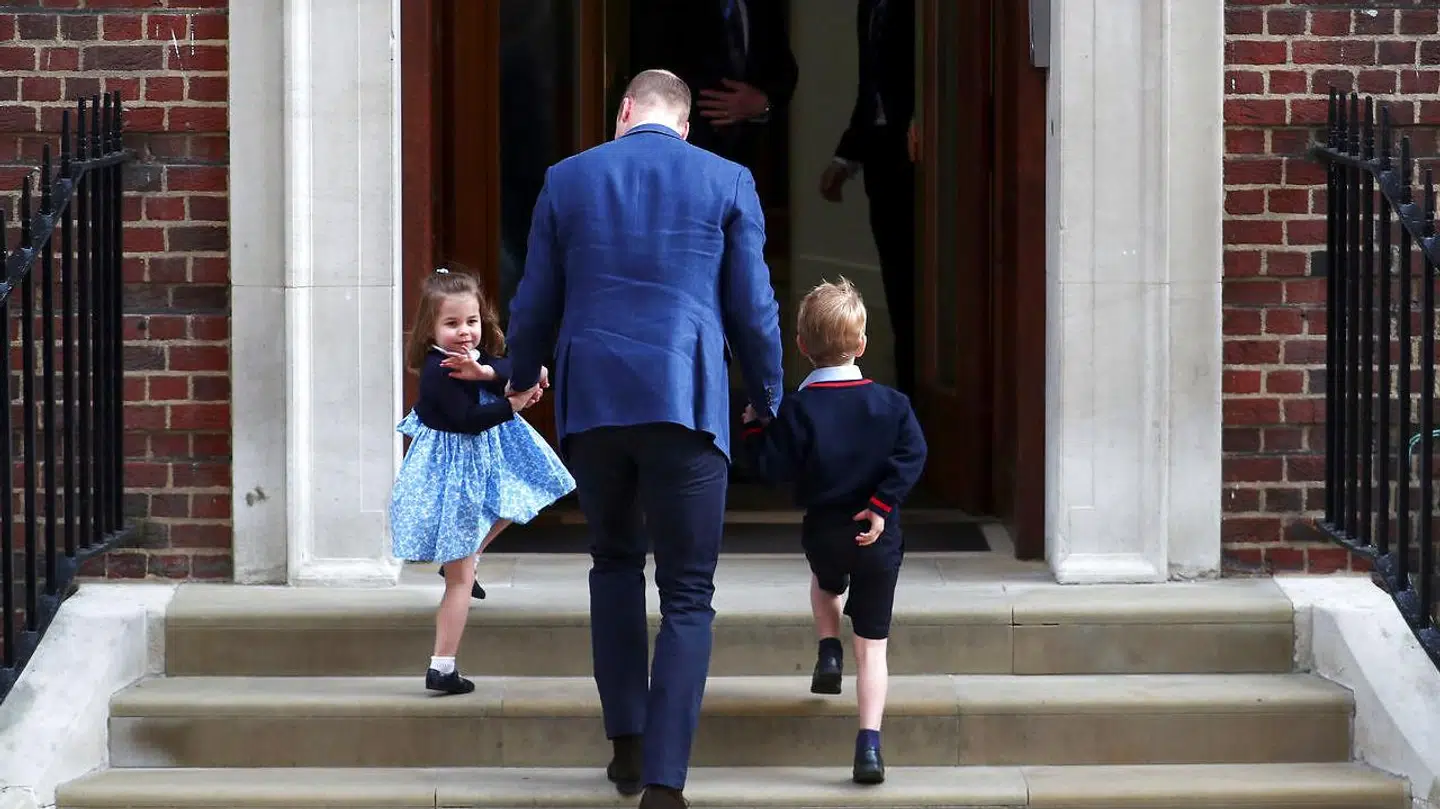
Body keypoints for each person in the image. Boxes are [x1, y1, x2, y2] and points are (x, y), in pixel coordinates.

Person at [503, 70, 784, 809]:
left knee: (615, 563)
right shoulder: (728, 180)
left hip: (594, 402)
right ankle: (665, 781)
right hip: (688, 401)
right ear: (684, 125)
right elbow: (752, 306)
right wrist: (767, 394)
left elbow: (535, 294)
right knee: (688, 591)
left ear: (624, 112)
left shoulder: (567, 179)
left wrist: (521, 373)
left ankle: (625, 743)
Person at [740, 277, 927, 785]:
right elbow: (912, 456)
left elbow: (770, 467)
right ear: (862, 344)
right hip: (878, 537)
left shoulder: (798, 410)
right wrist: (881, 505)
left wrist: (757, 425)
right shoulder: (892, 405)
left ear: (801, 347)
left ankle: (827, 647)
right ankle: (868, 745)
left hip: (825, 532)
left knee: (826, 584)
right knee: (874, 647)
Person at [388, 267, 575, 696]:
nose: (464, 333)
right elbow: (468, 421)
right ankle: (442, 666)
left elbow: (512, 366)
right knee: (459, 579)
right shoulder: (438, 371)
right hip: (453, 475)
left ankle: (470, 557)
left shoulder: (473, 358)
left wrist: (490, 375)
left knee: (520, 498)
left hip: (480, 467)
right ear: (430, 328)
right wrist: (513, 402)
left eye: (471, 321)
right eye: (451, 324)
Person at [819, 0, 918, 397]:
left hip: (927, 160)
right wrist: (845, 158)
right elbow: (872, 91)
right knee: (898, 280)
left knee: (921, 283)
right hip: (883, 161)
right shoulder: (870, 6)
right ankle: (909, 386)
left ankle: (921, 390)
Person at [629, 0, 798, 170]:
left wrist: (764, 102)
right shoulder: (665, 9)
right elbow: (653, 70)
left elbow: (784, 72)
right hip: (684, 152)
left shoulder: (763, 7)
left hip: (750, 157)